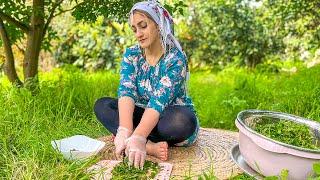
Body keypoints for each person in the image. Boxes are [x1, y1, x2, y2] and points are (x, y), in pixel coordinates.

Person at [94, 0, 199, 169]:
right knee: (103, 105)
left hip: (167, 116)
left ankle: (139, 139)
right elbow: (126, 91)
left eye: (143, 26)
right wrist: (124, 129)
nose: (138, 34)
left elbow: (158, 102)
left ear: (158, 25)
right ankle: (147, 145)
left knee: (183, 121)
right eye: (134, 29)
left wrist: (140, 135)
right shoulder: (131, 54)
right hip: (142, 112)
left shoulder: (176, 59)